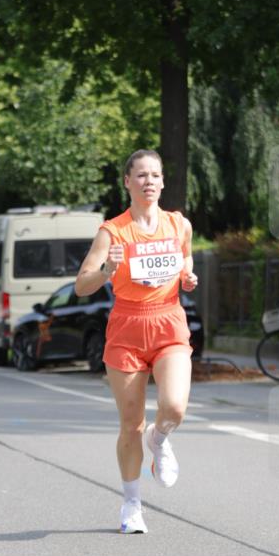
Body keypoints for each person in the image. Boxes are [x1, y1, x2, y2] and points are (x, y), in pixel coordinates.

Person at [75, 150, 198, 533]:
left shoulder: (179, 225)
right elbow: (82, 285)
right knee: (130, 424)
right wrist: (107, 270)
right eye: (141, 175)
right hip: (127, 326)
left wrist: (188, 277)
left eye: (155, 175)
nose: (149, 181)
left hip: (168, 322)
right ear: (127, 182)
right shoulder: (112, 231)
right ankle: (132, 505)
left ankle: (159, 440)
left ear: (163, 182)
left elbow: (186, 260)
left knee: (174, 408)